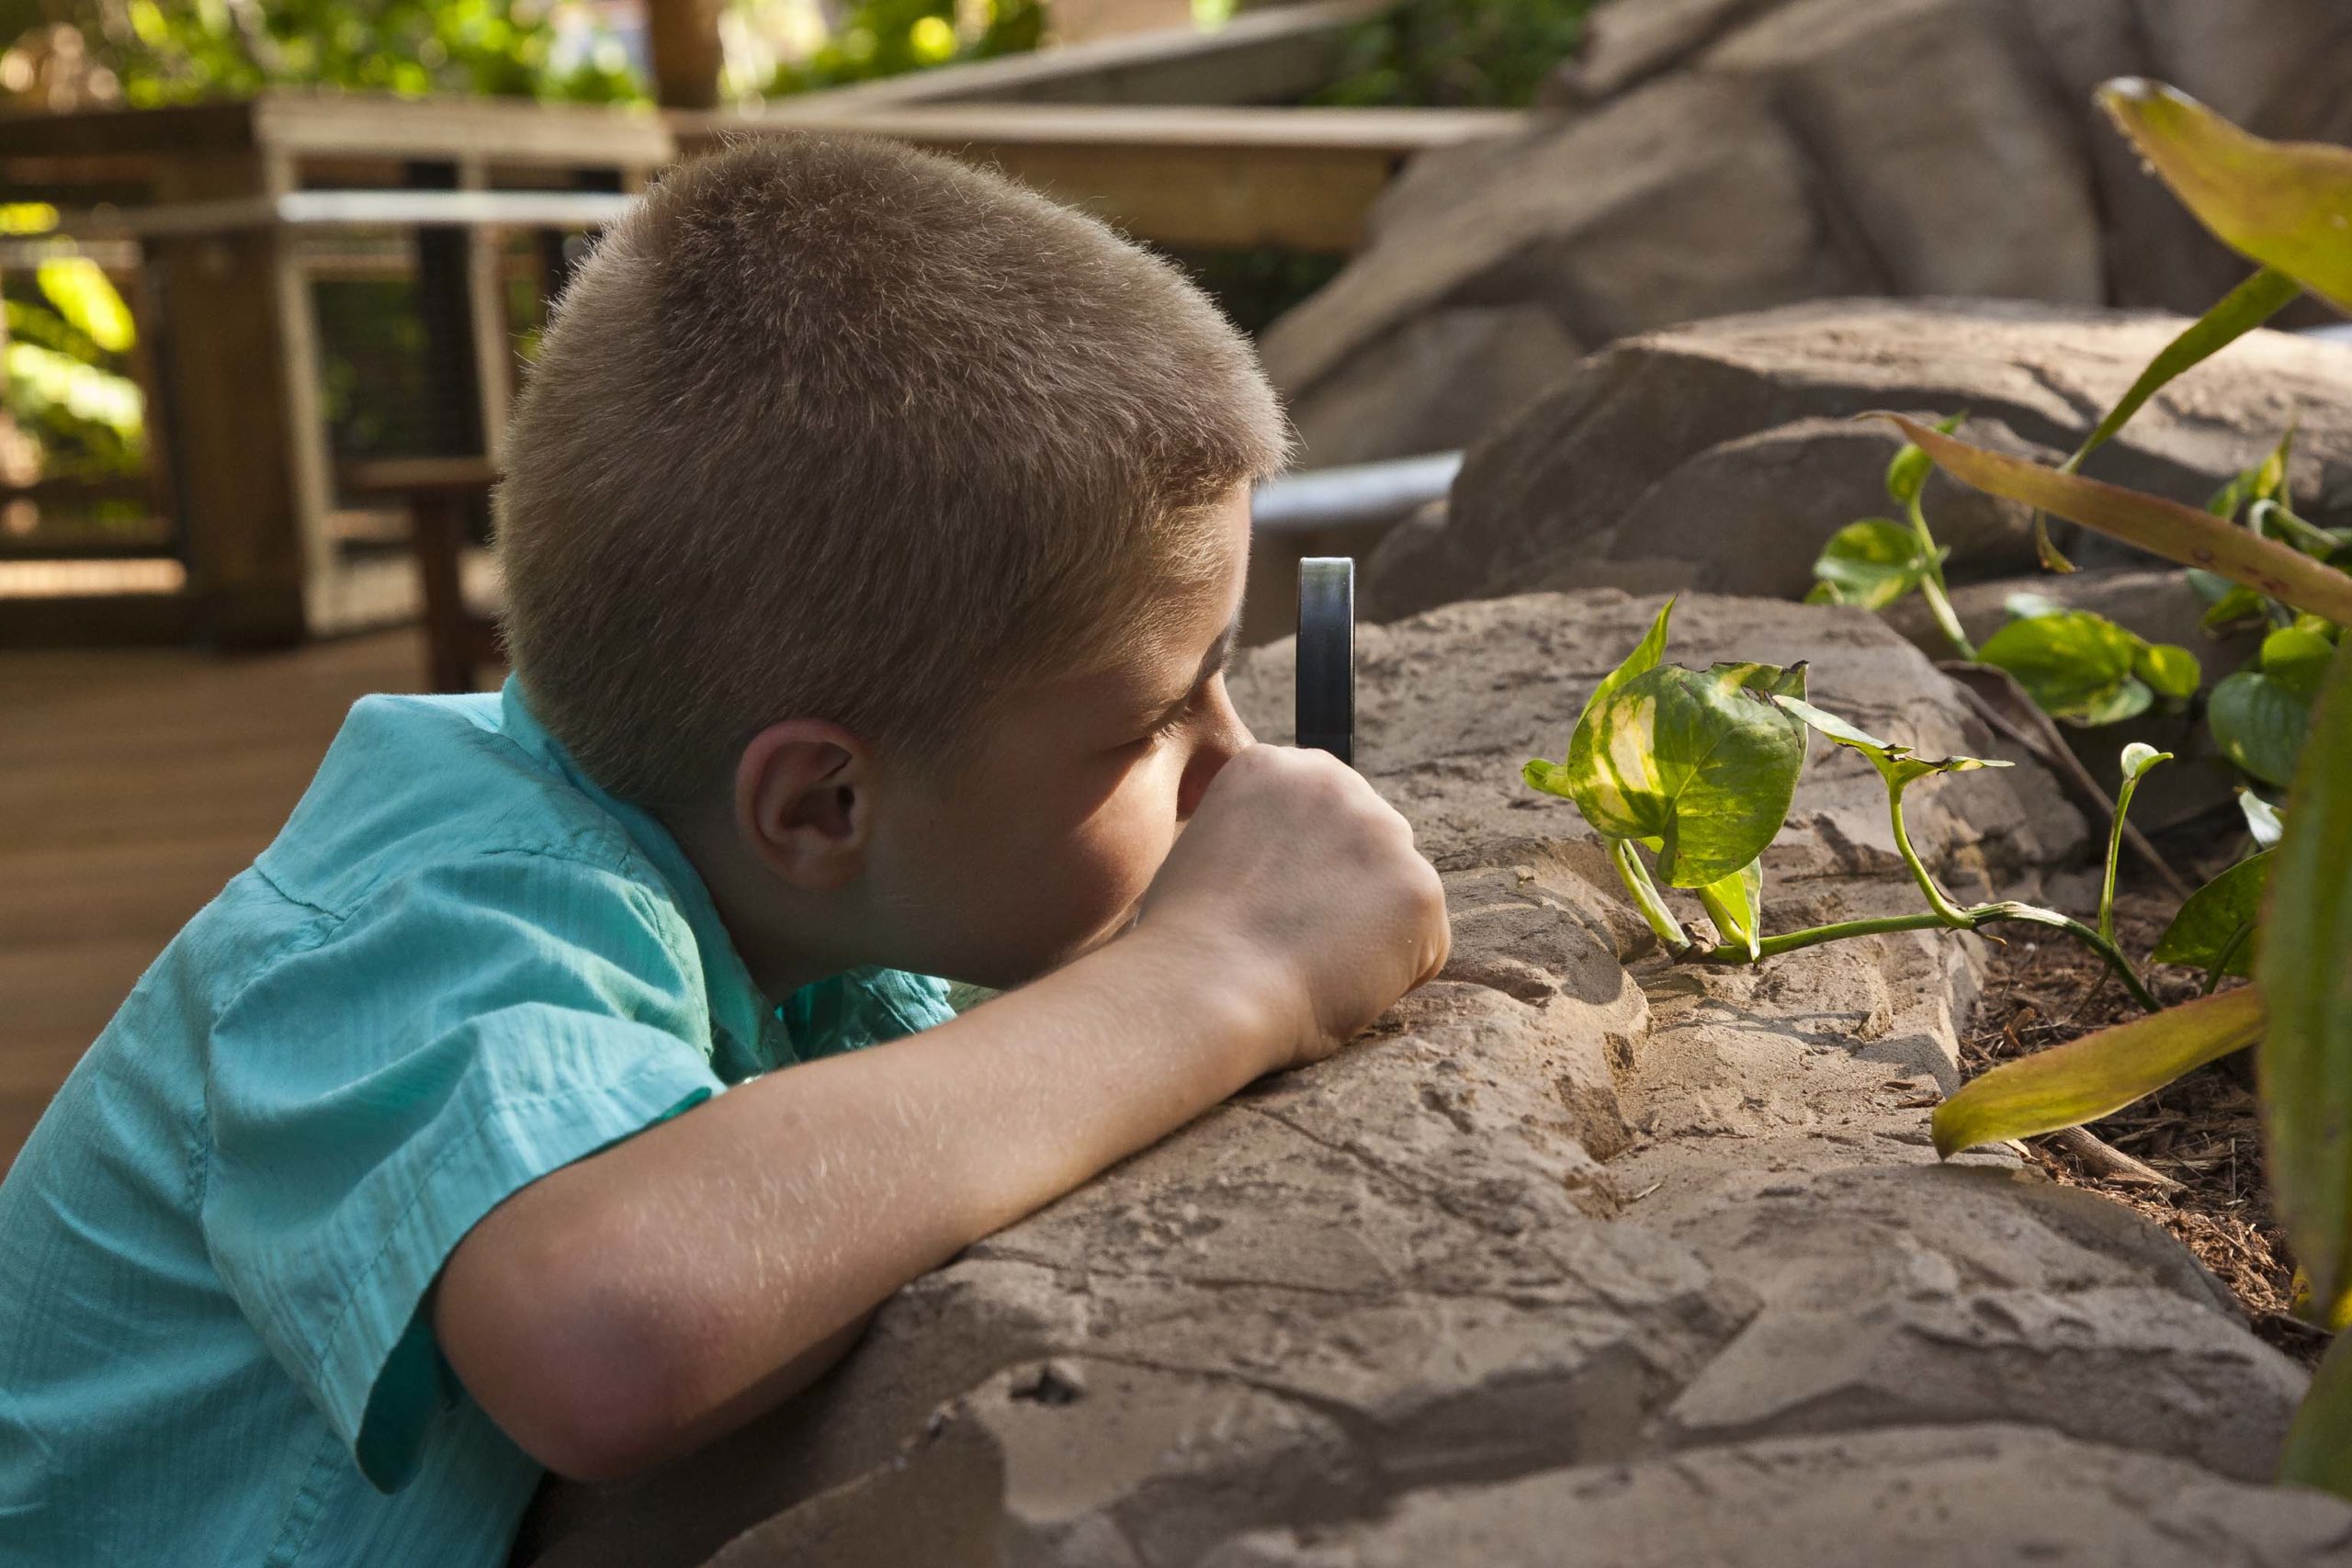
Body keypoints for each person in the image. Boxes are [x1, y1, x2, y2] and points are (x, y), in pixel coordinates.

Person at [0, 135, 1448, 1565]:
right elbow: (606, 1330)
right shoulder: (428, 910)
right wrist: (1223, 972)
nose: (1235, 762)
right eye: (1154, 718)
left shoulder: (774, 877)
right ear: (821, 807)